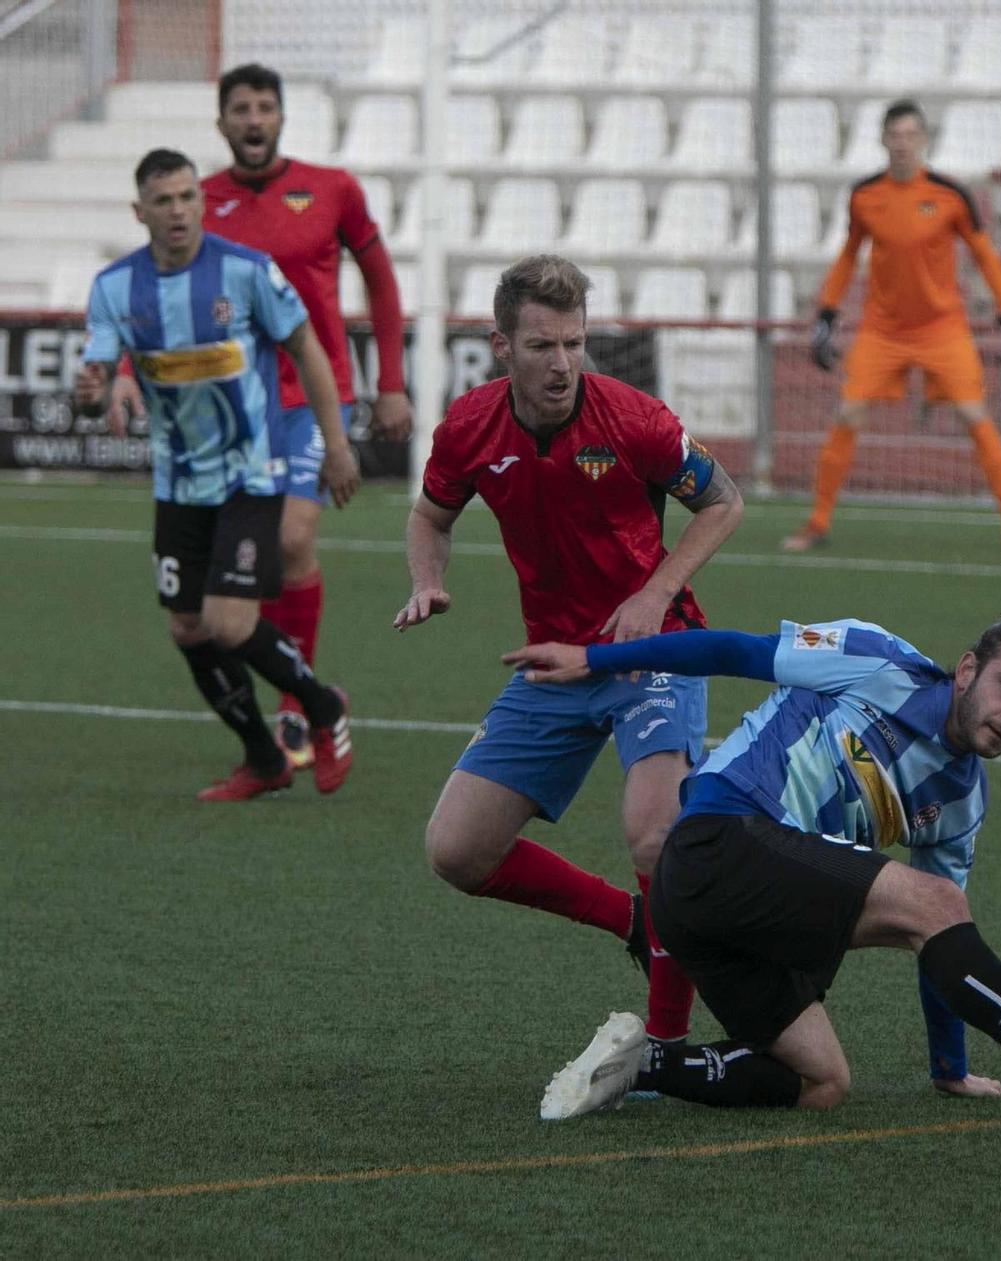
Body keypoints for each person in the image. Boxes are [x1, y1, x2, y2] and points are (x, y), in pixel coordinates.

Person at [510, 616, 1001, 1132]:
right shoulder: (873, 655)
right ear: (967, 669)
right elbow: (734, 650)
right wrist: (594, 658)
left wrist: (949, 1068)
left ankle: (635, 1064)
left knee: (819, 1080)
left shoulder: (961, 800)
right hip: (718, 839)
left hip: (732, 919)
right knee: (933, 899)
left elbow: (947, 945)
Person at [394, 255, 741, 1065]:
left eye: (575, 343)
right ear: (500, 346)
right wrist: (427, 580)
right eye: (543, 345)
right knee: (456, 850)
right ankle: (634, 922)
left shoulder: (634, 419)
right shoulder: (469, 427)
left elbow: (723, 501)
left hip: (652, 651)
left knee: (655, 836)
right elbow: (429, 515)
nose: (562, 363)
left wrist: (655, 593)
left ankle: (668, 1042)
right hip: (553, 661)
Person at [75, 148, 358, 801]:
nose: (177, 211)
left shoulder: (247, 271)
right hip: (178, 482)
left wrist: (336, 443)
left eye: (186, 197)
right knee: (188, 627)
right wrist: (95, 391)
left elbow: (306, 349)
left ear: (200, 202)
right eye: (163, 201)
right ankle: (263, 758)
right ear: (139, 211)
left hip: (249, 472)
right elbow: (95, 383)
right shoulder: (114, 287)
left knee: (230, 622)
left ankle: (324, 706)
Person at [203, 62, 409, 769]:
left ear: (282, 117)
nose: (253, 119)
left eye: (265, 107)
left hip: (310, 396)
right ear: (222, 121)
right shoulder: (198, 201)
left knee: (293, 539)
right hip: (232, 406)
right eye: (240, 108)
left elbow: (381, 281)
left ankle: (296, 708)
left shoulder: (332, 188)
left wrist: (392, 382)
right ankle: (295, 699)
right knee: (231, 573)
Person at [785, 99, 1001, 557]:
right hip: (881, 331)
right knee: (848, 414)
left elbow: (984, 256)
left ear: (924, 140)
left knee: (973, 415)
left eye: (910, 135)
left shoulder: (950, 196)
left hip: (943, 329)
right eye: (894, 136)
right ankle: (817, 521)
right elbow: (847, 256)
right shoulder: (864, 196)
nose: (902, 144)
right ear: (882, 140)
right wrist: (825, 314)